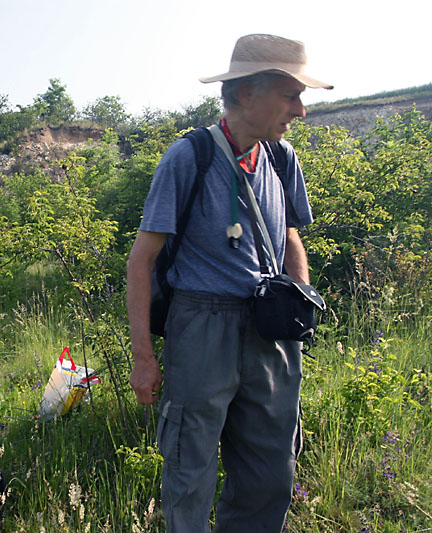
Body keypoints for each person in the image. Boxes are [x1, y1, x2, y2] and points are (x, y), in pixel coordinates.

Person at [126, 34, 332, 532]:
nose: (300, 111)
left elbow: (290, 241)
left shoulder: (283, 161)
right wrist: (144, 359)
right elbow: (142, 261)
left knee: (270, 471)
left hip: (270, 330)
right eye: (290, 95)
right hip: (202, 325)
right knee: (189, 470)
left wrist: (297, 303)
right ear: (245, 94)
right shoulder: (189, 156)